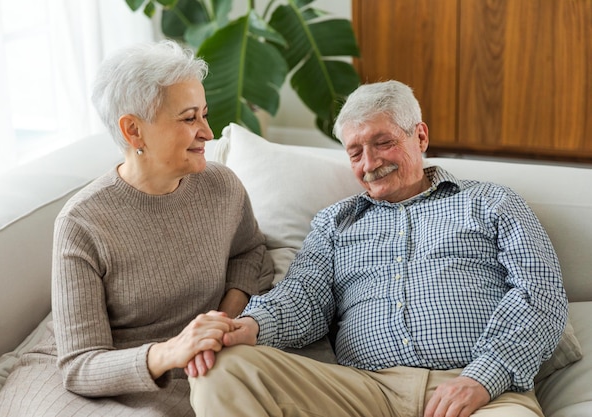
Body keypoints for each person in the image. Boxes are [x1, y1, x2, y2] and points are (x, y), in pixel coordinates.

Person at [188, 80, 568, 417]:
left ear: (419, 136)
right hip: (364, 392)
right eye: (355, 152)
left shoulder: (491, 202)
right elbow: (302, 298)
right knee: (222, 368)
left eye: (383, 143)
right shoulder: (335, 223)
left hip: (481, 391)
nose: (370, 163)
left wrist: (484, 377)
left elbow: (541, 294)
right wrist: (252, 325)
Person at [0, 40, 272, 417]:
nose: (207, 131)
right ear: (134, 131)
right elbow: (80, 365)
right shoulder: (82, 222)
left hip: (184, 371)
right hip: (72, 381)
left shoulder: (221, 187)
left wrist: (219, 325)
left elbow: (249, 252)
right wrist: (172, 350)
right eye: (189, 118)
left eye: (204, 114)